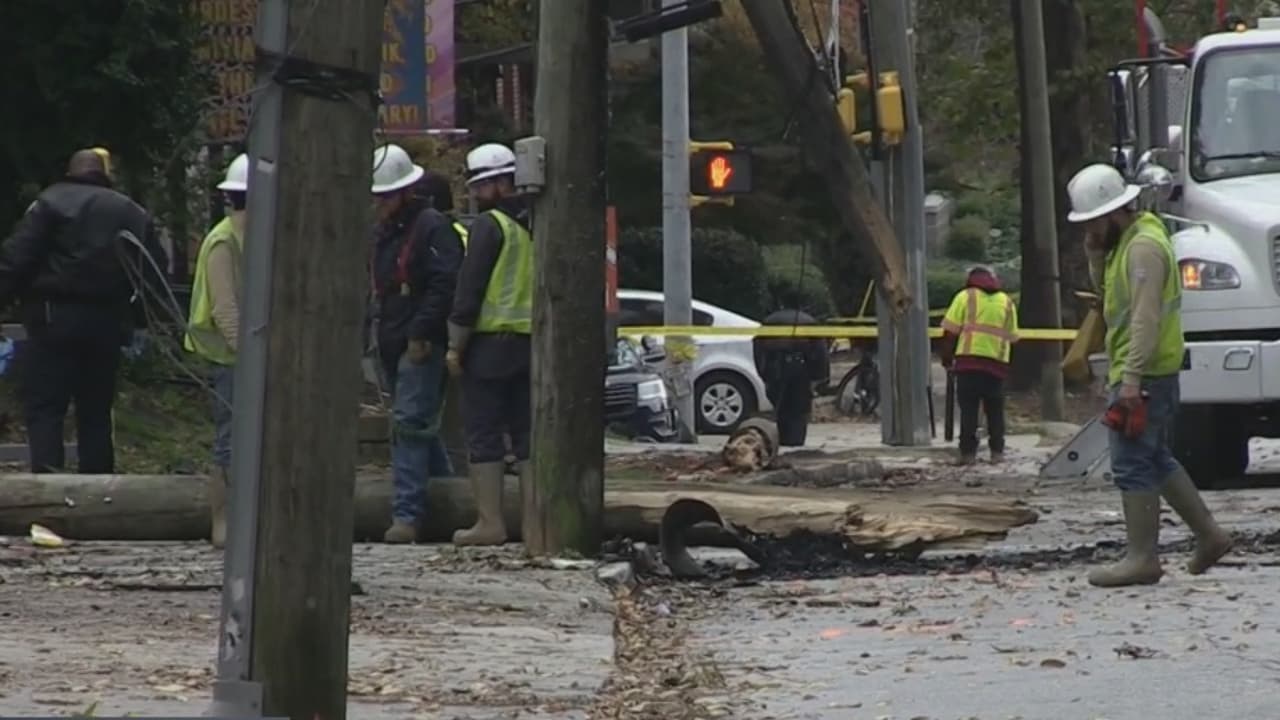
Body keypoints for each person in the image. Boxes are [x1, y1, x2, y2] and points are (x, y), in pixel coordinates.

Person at [1066, 162, 1232, 587]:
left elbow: (1144, 320)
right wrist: (1094, 253)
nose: (1088, 230)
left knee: (1131, 463)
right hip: (1144, 371)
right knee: (1155, 458)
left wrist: (1131, 382)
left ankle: (1143, 557)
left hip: (1144, 374)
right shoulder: (1126, 245)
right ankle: (1209, 536)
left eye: (1092, 223)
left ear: (1112, 214)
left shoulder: (1144, 249)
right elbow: (1108, 298)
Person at [0, 148, 166, 474]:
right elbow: (153, 271)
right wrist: (141, 320)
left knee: (46, 409)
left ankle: (50, 492)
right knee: (96, 413)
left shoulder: (50, 203)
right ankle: (100, 493)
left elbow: (17, 259)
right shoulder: (131, 211)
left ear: (70, 171)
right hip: (106, 322)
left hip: (53, 317)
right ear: (104, 174)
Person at [370, 144, 464, 543]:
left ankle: (406, 515)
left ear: (404, 192)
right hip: (392, 335)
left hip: (417, 339)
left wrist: (421, 332)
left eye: (385, 196)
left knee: (409, 424)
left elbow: (445, 284)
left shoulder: (431, 227)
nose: (380, 204)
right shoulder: (387, 231)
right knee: (419, 426)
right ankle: (451, 499)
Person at [446, 142, 531, 546]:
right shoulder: (534, 224)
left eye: (481, 186)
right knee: (526, 435)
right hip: (528, 345)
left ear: (498, 185)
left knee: (483, 433)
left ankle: (490, 522)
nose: (477, 195)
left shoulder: (489, 226)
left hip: (488, 345)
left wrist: (454, 346)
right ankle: (537, 522)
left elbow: (469, 291)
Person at [184, 152, 249, 549]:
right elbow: (225, 309)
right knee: (229, 440)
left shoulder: (250, 235)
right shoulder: (225, 240)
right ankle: (222, 522)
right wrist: (250, 355)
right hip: (229, 359)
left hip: (246, 357)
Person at [939, 265, 1019, 465]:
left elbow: (949, 332)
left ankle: (967, 454)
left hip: (968, 363)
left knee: (969, 410)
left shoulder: (965, 297)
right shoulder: (1007, 302)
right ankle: (997, 452)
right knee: (995, 410)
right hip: (996, 366)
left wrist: (947, 359)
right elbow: (1012, 337)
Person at [752, 308, 829, 446]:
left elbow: (758, 348)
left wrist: (764, 373)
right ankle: (796, 441)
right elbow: (821, 352)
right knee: (799, 410)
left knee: (781, 407)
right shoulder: (809, 322)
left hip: (776, 369)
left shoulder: (769, 321)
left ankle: (783, 439)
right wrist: (820, 377)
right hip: (802, 370)